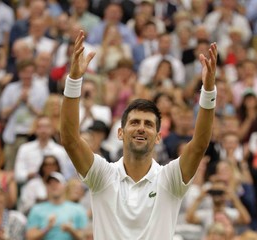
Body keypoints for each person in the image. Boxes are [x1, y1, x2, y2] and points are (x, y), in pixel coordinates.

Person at [60, 30, 217, 239]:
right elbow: (70, 140)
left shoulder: (169, 179)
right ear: (120, 133)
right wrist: (74, 81)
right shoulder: (103, 175)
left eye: (149, 125)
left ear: (159, 137)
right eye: (134, 122)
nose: (141, 128)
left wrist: (208, 92)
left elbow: (199, 145)